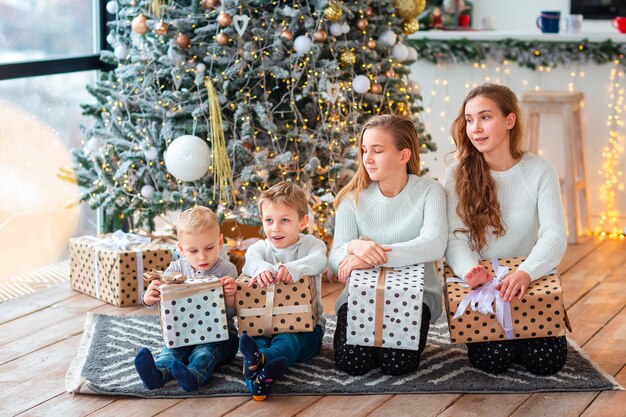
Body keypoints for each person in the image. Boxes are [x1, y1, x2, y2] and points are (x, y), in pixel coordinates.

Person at [445, 83, 568, 375]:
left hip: (528, 280)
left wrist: (527, 271)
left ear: (509, 121)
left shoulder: (540, 170)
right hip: (481, 286)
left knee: (547, 362)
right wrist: (469, 271)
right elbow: (454, 237)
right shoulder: (457, 173)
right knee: (492, 360)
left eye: (485, 117)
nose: (475, 128)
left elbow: (554, 235)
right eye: (470, 119)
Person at [329, 114, 448, 376]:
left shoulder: (430, 191)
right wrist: (354, 248)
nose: (367, 158)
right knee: (352, 363)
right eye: (364, 150)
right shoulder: (352, 199)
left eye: (377, 150)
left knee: (398, 365)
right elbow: (335, 256)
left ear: (404, 155)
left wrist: (373, 255)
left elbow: (433, 245)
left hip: (415, 297)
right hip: (360, 296)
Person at [133, 206, 239, 391]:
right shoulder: (175, 269)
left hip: (221, 338)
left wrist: (230, 296)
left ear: (220, 241)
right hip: (182, 335)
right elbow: (161, 302)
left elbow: (232, 313)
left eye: (209, 247)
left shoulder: (227, 270)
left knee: (204, 353)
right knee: (170, 351)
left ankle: (193, 376)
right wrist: (149, 297)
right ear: (181, 249)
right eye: (193, 251)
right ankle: (156, 374)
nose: (202, 256)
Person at [239, 181, 327, 400]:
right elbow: (250, 260)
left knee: (287, 342)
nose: (275, 228)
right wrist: (262, 268)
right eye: (269, 220)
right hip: (263, 326)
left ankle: (262, 360)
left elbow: (319, 261)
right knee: (255, 342)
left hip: (305, 330)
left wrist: (293, 268)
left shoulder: (311, 245)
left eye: (285, 220)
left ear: (303, 222)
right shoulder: (260, 248)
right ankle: (259, 383)